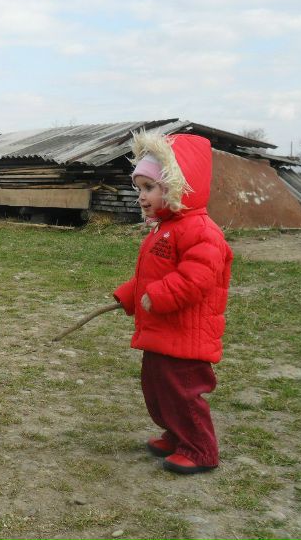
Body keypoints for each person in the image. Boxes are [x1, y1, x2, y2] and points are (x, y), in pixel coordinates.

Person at [113, 130, 232, 475]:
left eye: (149, 188)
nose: (141, 197)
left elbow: (198, 277)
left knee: (182, 393)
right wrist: (130, 293)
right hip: (163, 333)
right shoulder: (164, 228)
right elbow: (153, 275)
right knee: (158, 390)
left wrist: (161, 295)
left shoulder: (201, 230)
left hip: (186, 336)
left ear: (177, 187)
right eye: (139, 188)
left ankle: (200, 450)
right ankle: (176, 434)